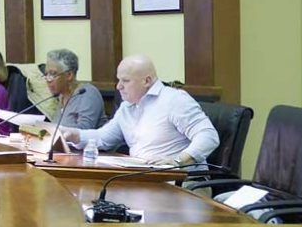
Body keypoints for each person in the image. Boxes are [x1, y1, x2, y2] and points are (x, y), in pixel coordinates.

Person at [63, 54, 219, 165]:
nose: (119, 87)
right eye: (119, 80)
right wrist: (74, 135)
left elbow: (208, 136)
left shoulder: (174, 100)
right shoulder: (127, 107)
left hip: (180, 182)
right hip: (143, 178)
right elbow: (103, 137)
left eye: (125, 81)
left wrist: (178, 160)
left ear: (147, 81)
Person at [44, 49, 107, 129]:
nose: (48, 80)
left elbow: (84, 129)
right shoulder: (61, 96)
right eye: (46, 74)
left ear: (69, 75)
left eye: (53, 74)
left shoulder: (88, 94)